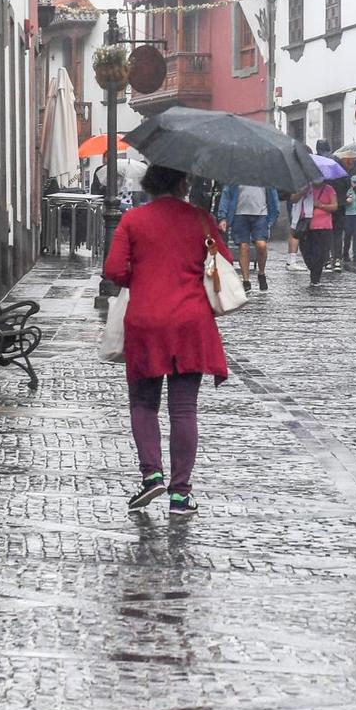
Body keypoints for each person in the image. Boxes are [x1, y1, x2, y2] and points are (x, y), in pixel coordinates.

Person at [105, 164, 229, 517]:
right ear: (183, 183)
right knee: (184, 409)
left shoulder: (132, 221)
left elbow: (114, 270)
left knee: (144, 404)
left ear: (149, 184)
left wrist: (142, 275)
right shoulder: (202, 220)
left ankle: (151, 475)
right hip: (191, 323)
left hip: (146, 321)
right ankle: (180, 495)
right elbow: (223, 262)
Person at [217, 182, 278, 292]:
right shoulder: (236, 175)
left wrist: (273, 215)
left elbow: (273, 195)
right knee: (243, 247)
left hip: (261, 215)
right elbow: (226, 194)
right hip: (239, 215)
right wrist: (222, 217)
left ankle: (261, 273)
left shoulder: (265, 175)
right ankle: (246, 280)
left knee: (261, 245)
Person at [301, 178, 338, 285]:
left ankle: (315, 278)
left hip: (324, 227)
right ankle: (314, 270)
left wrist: (320, 205)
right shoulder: (305, 188)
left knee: (321, 253)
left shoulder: (329, 189)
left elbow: (334, 206)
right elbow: (294, 200)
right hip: (306, 226)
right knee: (306, 250)